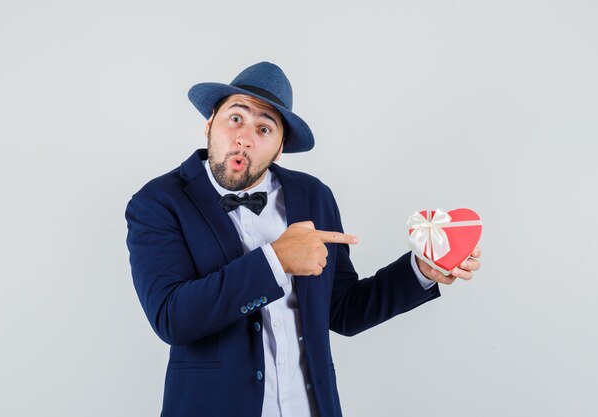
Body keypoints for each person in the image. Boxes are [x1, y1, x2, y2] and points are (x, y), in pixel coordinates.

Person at [125, 61, 481, 417]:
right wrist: (276, 260)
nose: (245, 138)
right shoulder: (157, 202)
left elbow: (342, 310)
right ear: (209, 124)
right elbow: (172, 317)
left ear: (280, 148)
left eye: (264, 128)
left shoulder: (314, 196)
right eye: (236, 118)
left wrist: (419, 270)